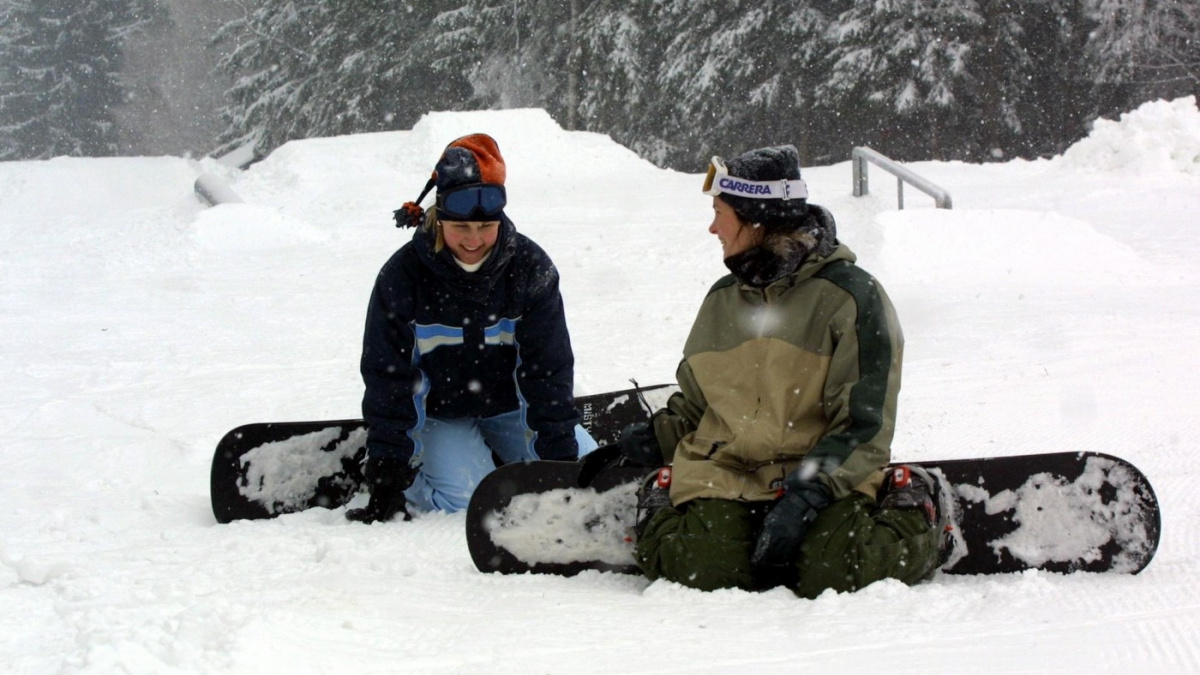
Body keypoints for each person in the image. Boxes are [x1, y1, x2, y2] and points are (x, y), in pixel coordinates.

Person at [624, 145, 947, 597]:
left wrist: (808, 492)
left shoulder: (851, 298)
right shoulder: (722, 300)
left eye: (720, 213)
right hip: (729, 471)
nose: (713, 227)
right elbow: (702, 404)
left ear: (757, 218)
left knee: (833, 572)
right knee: (704, 572)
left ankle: (920, 510)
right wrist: (653, 437)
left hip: (817, 470)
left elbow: (865, 424)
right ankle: (659, 502)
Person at [348, 133, 597, 523]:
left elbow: (547, 371)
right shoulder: (402, 277)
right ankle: (417, 468)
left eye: (485, 226)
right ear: (437, 218)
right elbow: (390, 377)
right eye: (461, 228)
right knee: (475, 505)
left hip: (510, 408)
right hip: (438, 414)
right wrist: (388, 476)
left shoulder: (531, 270)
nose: (474, 240)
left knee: (586, 477)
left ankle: (501, 452)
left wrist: (558, 459)